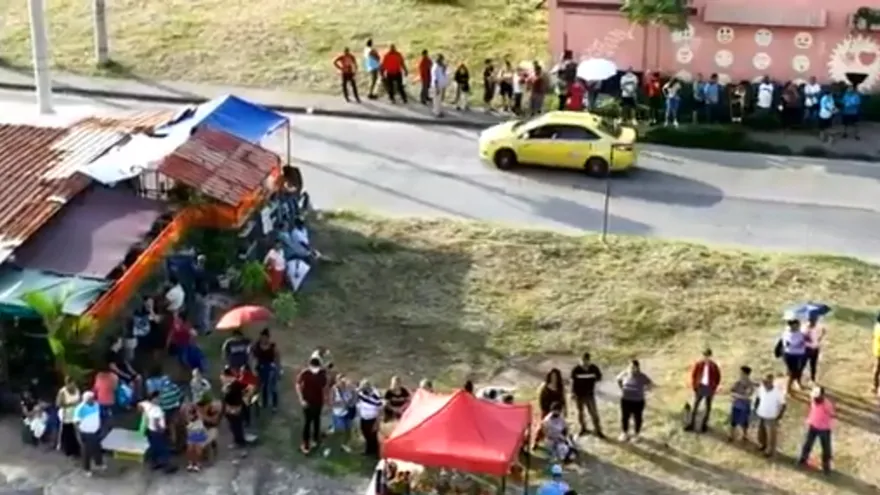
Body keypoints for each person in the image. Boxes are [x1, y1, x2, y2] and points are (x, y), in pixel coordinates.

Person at [296, 356, 328, 454]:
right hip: (313, 401)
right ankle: (311, 441)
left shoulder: (307, 373)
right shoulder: (318, 374)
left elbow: (297, 384)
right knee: (312, 421)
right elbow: (325, 386)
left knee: (312, 421)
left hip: (312, 401)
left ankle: (311, 441)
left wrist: (301, 399)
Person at [798, 386, 834, 473]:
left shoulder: (827, 404)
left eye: (817, 397)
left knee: (826, 448)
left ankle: (826, 466)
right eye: (814, 397)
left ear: (822, 396)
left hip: (824, 428)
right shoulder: (813, 400)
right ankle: (803, 459)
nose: (815, 399)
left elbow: (831, 414)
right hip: (813, 425)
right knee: (807, 443)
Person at [685, 348, 721, 433]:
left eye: (707, 355)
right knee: (695, 406)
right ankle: (692, 424)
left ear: (710, 356)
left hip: (709, 388)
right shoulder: (699, 364)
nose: (706, 357)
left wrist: (714, 387)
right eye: (705, 355)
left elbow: (718, 377)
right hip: (700, 387)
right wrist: (695, 386)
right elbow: (694, 375)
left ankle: (704, 425)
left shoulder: (714, 366)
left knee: (707, 407)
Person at [616, 360, 653, 442]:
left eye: (634, 367)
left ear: (637, 368)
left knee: (637, 418)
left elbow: (650, 384)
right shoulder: (625, 374)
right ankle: (624, 433)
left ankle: (636, 434)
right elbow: (618, 379)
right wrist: (622, 388)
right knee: (625, 417)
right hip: (625, 400)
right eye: (631, 367)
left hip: (638, 401)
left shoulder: (642, 376)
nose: (632, 369)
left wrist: (644, 390)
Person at [570, 352, 604, 438]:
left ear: (589, 360)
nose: (585, 363)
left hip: (589, 395)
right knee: (580, 413)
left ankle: (598, 430)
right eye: (583, 361)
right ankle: (583, 428)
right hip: (579, 395)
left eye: (586, 361)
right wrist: (572, 393)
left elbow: (599, 378)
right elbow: (572, 382)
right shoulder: (576, 369)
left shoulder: (594, 368)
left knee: (593, 413)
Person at [73, 392, 105, 476]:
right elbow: (76, 423)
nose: (91, 400)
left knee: (97, 448)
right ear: (84, 400)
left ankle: (99, 463)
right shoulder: (80, 408)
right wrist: (78, 434)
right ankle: (86, 469)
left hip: (95, 431)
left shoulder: (97, 405)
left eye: (92, 398)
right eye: (88, 399)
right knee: (86, 452)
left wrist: (100, 427)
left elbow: (98, 416)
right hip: (85, 433)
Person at [755, 373, 786, 457]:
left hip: (771, 416)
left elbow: (783, 405)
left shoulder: (778, 392)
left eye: (766, 382)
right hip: (761, 414)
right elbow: (758, 398)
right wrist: (756, 408)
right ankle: (762, 445)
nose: (764, 383)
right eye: (764, 381)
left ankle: (769, 450)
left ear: (771, 382)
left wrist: (779, 416)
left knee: (770, 435)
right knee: (761, 432)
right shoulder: (761, 388)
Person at [143, 394, 175, 472]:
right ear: (153, 400)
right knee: (163, 449)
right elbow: (156, 422)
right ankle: (166, 466)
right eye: (157, 398)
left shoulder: (148, 407)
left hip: (150, 430)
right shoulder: (157, 409)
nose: (159, 399)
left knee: (154, 447)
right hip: (157, 432)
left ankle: (154, 463)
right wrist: (161, 430)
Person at [779, 311, 809, 391]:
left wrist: (805, 339)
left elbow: (805, 341)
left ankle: (798, 383)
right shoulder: (787, 333)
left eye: (798, 325)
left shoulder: (801, 333)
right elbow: (787, 344)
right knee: (792, 372)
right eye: (796, 325)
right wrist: (799, 343)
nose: (798, 326)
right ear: (791, 325)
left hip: (800, 355)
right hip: (790, 355)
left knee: (799, 370)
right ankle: (787, 388)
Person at [252, 328, 280, 411]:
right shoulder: (256, 346)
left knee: (272, 387)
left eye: (265, 337)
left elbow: (277, 357)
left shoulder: (272, 346)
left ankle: (275, 405)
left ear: (268, 338)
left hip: (270, 367)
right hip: (259, 367)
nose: (263, 339)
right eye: (262, 337)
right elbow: (253, 357)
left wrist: (277, 368)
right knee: (259, 387)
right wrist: (254, 368)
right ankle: (263, 403)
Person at [221, 368, 248, 452]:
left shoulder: (234, 384)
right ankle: (237, 441)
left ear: (227, 376)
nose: (222, 378)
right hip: (231, 408)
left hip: (235, 408)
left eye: (223, 376)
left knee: (236, 426)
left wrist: (225, 391)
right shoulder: (232, 384)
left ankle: (240, 442)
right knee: (233, 426)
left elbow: (228, 396)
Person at [727, 365, 756, 442]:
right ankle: (731, 435)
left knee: (744, 422)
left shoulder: (750, 384)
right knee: (733, 421)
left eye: (741, 373)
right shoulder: (737, 382)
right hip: (736, 405)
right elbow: (731, 391)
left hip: (744, 406)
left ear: (746, 374)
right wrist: (738, 396)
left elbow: (747, 396)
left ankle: (745, 435)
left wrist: (736, 395)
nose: (740, 374)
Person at [330, 374, 357, 452]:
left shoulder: (349, 388)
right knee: (341, 429)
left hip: (347, 412)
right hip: (338, 413)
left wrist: (352, 399)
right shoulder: (334, 390)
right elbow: (331, 402)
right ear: (337, 381)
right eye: (341, 382)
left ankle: (345, 444)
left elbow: (354, 399)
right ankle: (335, 429)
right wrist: (341, 403)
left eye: (344, 382)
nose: (343, 383)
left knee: (348, 429)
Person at [56, 376, 81, 457]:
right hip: (67, 414)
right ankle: (69, 450)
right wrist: (71, 404)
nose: (71, 385)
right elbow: (58, 404)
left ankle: (77, 449)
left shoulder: (77, 390)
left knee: (77, 432)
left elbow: (79, 400)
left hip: (76, 414)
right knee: (68, 433)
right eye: (69, 384)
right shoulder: (62, 392)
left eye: (73, 383)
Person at [356, 379, 382, 457]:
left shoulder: (375, 395)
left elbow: (380, 408)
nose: (363, 389)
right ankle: (369, 450)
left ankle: (377, 452)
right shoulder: (361, 393)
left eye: (365, 387)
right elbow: (355, 393)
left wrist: (377, 422)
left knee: (373, 435)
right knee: (366, 434)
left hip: (372, 418)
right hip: (364, 418)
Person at [183, 403, 209, 472]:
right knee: (190, 449)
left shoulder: (200, 418)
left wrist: (196, 408)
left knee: (198, 450)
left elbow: (200, 413)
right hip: (191, 435)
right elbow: (186, 416)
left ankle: (198, 464)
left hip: (199, 435)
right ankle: (190, 463)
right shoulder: (188, 419)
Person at [803, 312, 826, 383]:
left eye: (815, 319)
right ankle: (800, 377)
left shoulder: (818, 328)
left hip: (815, 349)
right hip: (807, 349)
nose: (814, 321)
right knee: (803, 364)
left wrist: (822, 334)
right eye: (813, 320)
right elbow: (804, 340)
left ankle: (812, 379)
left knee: (813, 365)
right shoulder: (805, 328)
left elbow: (817, 339)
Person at [873, 312, 880, 394]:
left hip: (876, 350)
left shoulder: (877, 326)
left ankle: (875, 385)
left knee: (877, 368)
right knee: (877, 369)